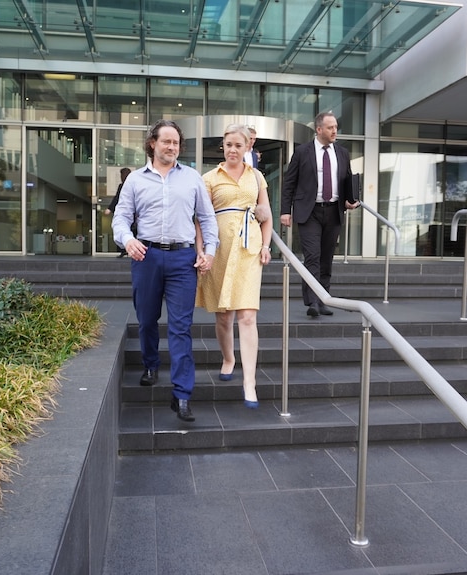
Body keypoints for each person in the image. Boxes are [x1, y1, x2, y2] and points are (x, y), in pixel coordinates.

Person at [112, 120, 219, 422]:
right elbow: (120, 218)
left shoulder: (192, 179)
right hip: (145, 256)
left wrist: (209, 252)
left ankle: (182, 394)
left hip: (182, 259)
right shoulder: (135, 180)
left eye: (176, 143)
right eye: (166, 142)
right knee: (147, 319)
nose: (171, 147)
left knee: (181, 327)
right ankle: (150, 363)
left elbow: (207, 219)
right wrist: (128, 239)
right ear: (152, 144)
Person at [196, 124, 272, 409]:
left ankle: (249, 382)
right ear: (223, 146)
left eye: (238, 145)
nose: (232, 150)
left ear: (247, 148)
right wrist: (201, 251)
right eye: (228, 145)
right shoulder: (209, 178)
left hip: (249, 249)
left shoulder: (257, 177)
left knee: (248, 317)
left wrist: (266, 246)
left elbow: (266, 216)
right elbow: (200, 220)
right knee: (223, 317)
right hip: (220, 250)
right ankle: (228, 358)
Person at [280, 111, 360, 318]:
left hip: (334, 211)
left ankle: (324, 299)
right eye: (330, 127)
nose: (335, 131)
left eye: (335, 127)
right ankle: (313, 301)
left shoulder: (342, 153)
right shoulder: (302, 152)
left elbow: (347, 179)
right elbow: (289, 183)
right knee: (312, 256)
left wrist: (350, 200)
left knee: (326, 258)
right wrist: (284, 211)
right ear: (319, 129)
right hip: (309, 212)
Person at [105, 167, 132, 257]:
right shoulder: (121, 186)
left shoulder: (133, 185)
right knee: (122, 229)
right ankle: (124, 250)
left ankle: (130, 250)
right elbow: (117, 198)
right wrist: (110, 208)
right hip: (125, 212)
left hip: (132, 212)